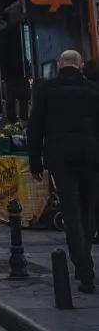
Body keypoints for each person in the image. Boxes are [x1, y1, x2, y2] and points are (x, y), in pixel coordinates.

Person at [28, 49, 99, 293]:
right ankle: (84, 257)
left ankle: (83, 266)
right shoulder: (93, 90)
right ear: (79, 66)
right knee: (88, 208)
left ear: (60, 65)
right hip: (90, 156)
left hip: (60, 157)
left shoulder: (46, 90)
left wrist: (34, 161)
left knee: (70, 209)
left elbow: (35, 127)